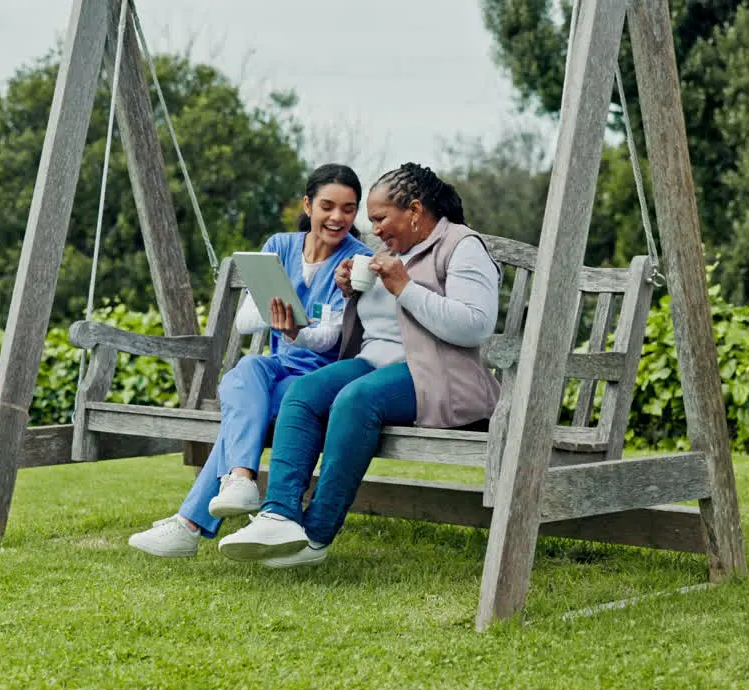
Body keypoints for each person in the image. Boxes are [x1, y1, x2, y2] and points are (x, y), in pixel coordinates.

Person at [218, 162, 501, 568]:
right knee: (305, 391)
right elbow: (377, 320)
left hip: (433, 374)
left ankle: (315, 535)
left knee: (354, 400)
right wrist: (351, 291)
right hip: (372, 362)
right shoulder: (389, 252)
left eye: (382, 219)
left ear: (416, 210)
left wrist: (404, 286)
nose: (375, 231)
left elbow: (475, 326)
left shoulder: (461, 246)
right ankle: (279, 515)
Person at [128, 163, 372, 558]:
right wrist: (279, 304)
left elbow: (331, 338)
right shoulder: (280, 244)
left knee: (243, 419)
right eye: (328, 206)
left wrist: (293, 328)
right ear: (308, 205)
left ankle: (193, 520)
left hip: (318, 379)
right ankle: (239, 481)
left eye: (348, 209)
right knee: (244, 371)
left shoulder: (355, 261)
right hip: (277, 369)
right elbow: (244, 322)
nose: (337, 217)